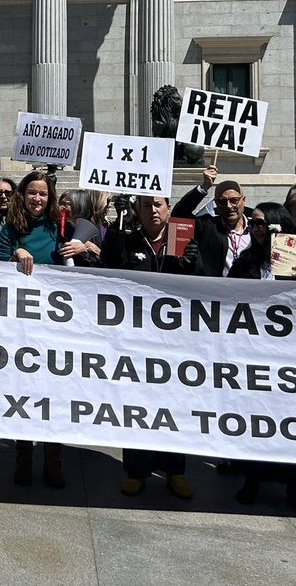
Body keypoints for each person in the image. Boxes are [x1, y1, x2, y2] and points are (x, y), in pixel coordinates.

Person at [100, 194, 201, 500]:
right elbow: (109, 271)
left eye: (158, 204)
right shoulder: (127, 239)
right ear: (138, 211)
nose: (153, 210)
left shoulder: (184, 239)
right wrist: (114, 234)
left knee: (173, 407)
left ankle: (175, 470)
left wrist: (193, 266)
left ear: (168, 209)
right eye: (146, 206)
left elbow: (203, 288)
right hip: (136, 342)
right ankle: (136, 470)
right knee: (137, 405)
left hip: (174, 344)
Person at [227, 202, 296, 513]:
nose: (257, 228)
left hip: (289, 357)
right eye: (254, 223)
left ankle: (293, 484)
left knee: (290, 423)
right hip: (254, 354)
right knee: (256, 419)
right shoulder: (244, 262)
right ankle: (252, 479)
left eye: (263, 224)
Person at [0, 170, 67, 487]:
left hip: (54, 324)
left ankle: (53, 459)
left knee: (53, 394)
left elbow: (72, 264)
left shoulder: (59, 226)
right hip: (21, 323)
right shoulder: (13, 227)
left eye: (43, 194)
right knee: (24, 393)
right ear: (22, 196)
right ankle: (24, 457)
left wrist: (83, 248)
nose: (37, 198)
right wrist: (14, 253)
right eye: (32, 192)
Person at [172, 166, 250, 277]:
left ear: (244, 200)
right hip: (216, 291)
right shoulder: (208, 226)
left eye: (234, 200)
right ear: (216, 204)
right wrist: (204, 187)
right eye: (222, 201)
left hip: (250, 291)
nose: (228, 206)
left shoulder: (257, 229)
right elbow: (179, 215)